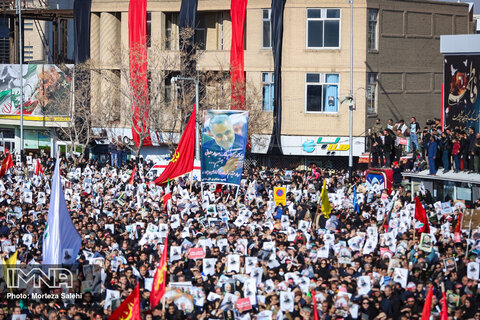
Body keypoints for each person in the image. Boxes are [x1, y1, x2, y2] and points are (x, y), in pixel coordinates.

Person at [201, 114, 246, 185]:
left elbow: (240, 168)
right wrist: (224, 169)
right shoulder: (206, 148)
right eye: (219, 135)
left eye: (228, 132)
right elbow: (207, 174)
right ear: (213, 136)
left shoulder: (242, 143)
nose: (225, 138)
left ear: (232, 129)